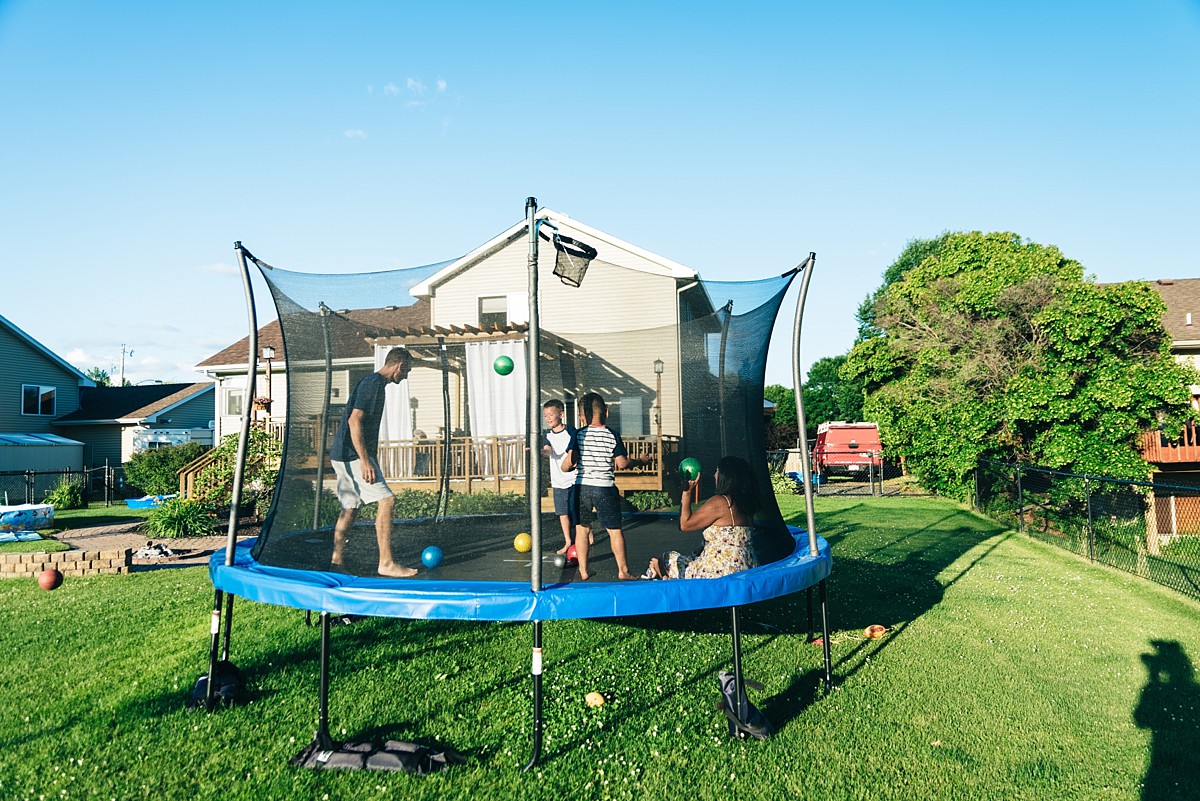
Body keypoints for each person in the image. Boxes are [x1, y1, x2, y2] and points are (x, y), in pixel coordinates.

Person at [328, 347, 418, 578]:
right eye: (407, 370)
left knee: (350, 507)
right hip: (352, 456)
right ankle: (386, 563)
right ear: (400, 366)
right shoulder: (374, 384)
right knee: (387, 500)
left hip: (342, 454)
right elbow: (354, 421)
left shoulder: (371, 382)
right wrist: (365, 461)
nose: (406, 375)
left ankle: (336, 562)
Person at [561, 392, 649, 580]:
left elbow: (569, 462)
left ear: (581, 416)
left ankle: (584, 571)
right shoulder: (612, 434)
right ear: (606, 412)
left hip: (581, 488)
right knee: (614, 530)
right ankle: (623, 571)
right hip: (604, 488)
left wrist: (567, 465)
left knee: (582, 529)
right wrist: (640, 461)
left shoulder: (578, 434)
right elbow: (622, 463)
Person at [646, 455, 759, 579]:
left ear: (725, 477)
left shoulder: (721, 502)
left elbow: (684, 525)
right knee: (692, 556)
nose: (715, 475)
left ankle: (666, 579)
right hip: (746, 566)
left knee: (666, 559)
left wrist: (687, 492)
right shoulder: (745, 504)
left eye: (717, 471)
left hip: (721, 571)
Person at [541, 399, 579, 555]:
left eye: (551, 414)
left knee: (577, 511)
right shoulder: (547, 435)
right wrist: (541, 451)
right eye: (545, 416)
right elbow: (547, 450)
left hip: (574, 479)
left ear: (561, 415)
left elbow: (577, 449)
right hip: (558, 481)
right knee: (562, 513)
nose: (548, 418)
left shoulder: (571, 431)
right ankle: (568, 541)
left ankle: (587, 532)